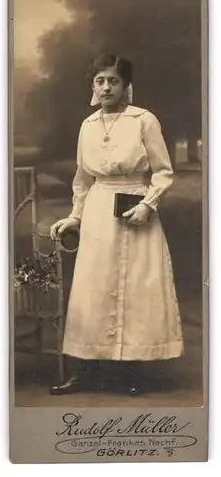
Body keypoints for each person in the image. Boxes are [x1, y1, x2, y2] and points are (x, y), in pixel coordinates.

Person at [50, 53, 184, 396]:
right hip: (98, 212)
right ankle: (85, 369)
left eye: (113, 80)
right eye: (100, 80)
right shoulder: (88, 125)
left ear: (125, 86)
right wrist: (75, 215)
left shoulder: (144, 120)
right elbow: (82, 179)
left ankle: (132, 373)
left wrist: (148, 204)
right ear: (93, 85)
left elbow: (164, 171)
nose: (106, 86)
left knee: (136, 288)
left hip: (135, 209)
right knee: (92, 290)